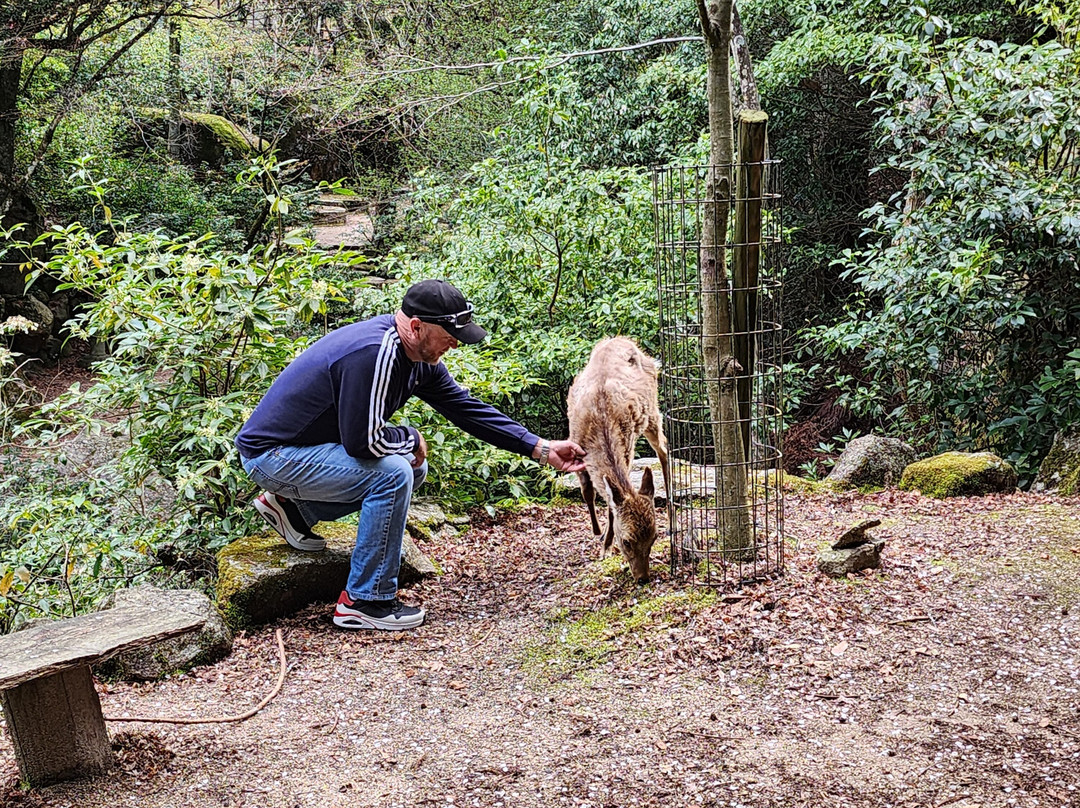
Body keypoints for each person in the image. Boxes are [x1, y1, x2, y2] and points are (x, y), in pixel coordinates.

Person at [235, 279, 586, 631]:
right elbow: (363, 444)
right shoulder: (376, 354)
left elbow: (466, 409)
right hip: (273, 455)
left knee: (414, 468)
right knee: (394, 473)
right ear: (416, 327)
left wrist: (540, 448)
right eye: (449, 336)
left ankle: (293, 509)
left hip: (302, 453)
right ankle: (365, 600)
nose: (454, 344)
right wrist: (410, 436)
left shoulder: (418, 357)